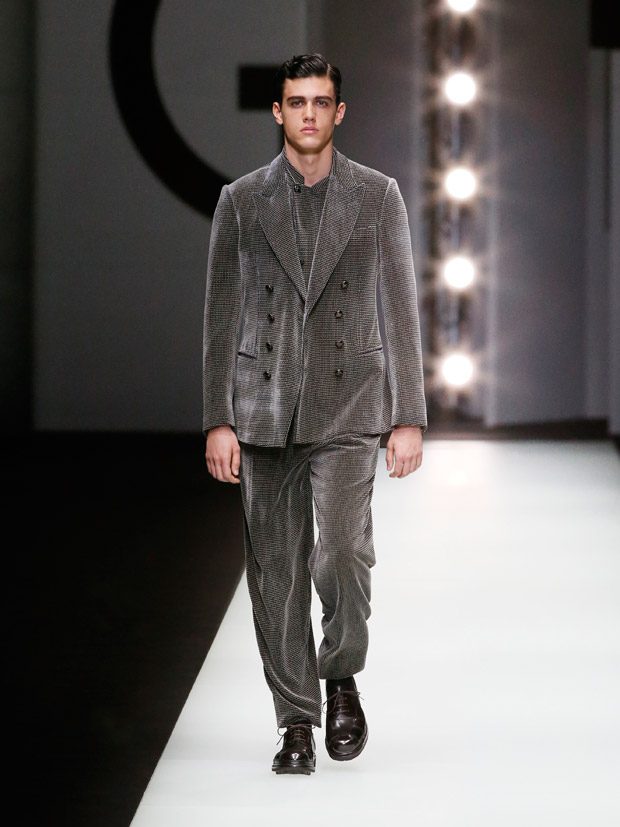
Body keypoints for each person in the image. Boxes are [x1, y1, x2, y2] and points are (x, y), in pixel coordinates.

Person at [202, 54, 427, 775]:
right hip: (263, 405)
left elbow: (400, 305)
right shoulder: (241, 201)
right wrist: (217, 418)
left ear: (339, 112)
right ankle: (296, 720)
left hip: (349, 401)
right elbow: (220, 314)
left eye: (320, 102)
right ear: (278, 112)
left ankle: (342, 674)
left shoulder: (377, 195)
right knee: (276, 572)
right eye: (296, 102)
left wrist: (408, 415)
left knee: (341, 552)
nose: (308, 113)